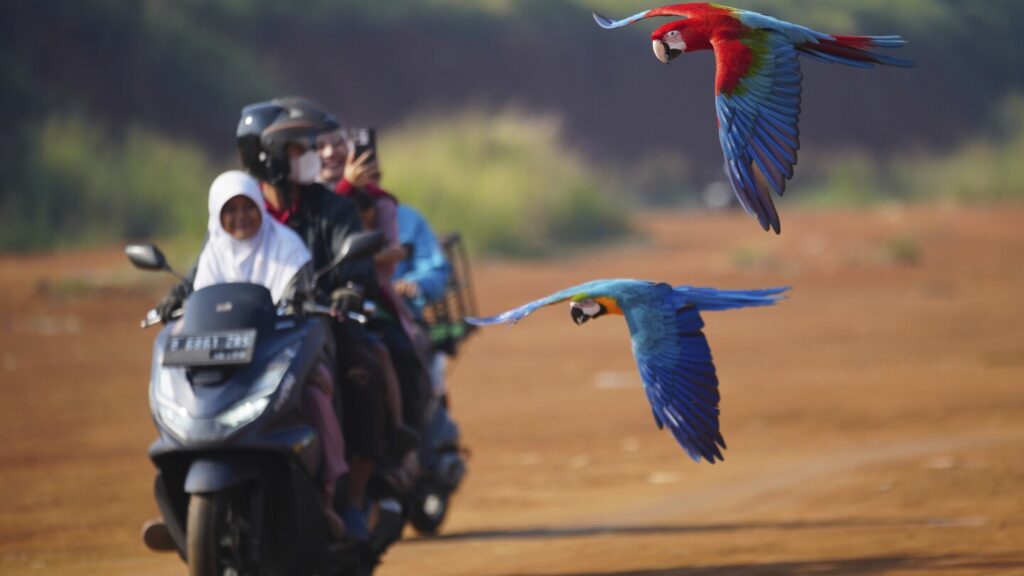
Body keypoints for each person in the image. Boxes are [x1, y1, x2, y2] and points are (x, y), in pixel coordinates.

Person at [234, 98, 388, 539]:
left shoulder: (331, 207)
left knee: (362, 373)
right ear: (271, 156)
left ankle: (353, 499)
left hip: (323, 326)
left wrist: (349, 286)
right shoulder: (244, 212)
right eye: (300, 149)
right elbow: (212, 260)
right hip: (256, 335)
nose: (313, 156)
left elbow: (356, 259)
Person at [193, 170, 348, 540]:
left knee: (316, 394)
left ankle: (327, 497)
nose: (241, 217)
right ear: (217, 215)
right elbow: (201, 302)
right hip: (227, 362)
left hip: (281, 355)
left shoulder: (287, 246)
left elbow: (300, 299)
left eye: (248, 207)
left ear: (261, 208)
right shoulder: (213, 253)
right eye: (231, 210)